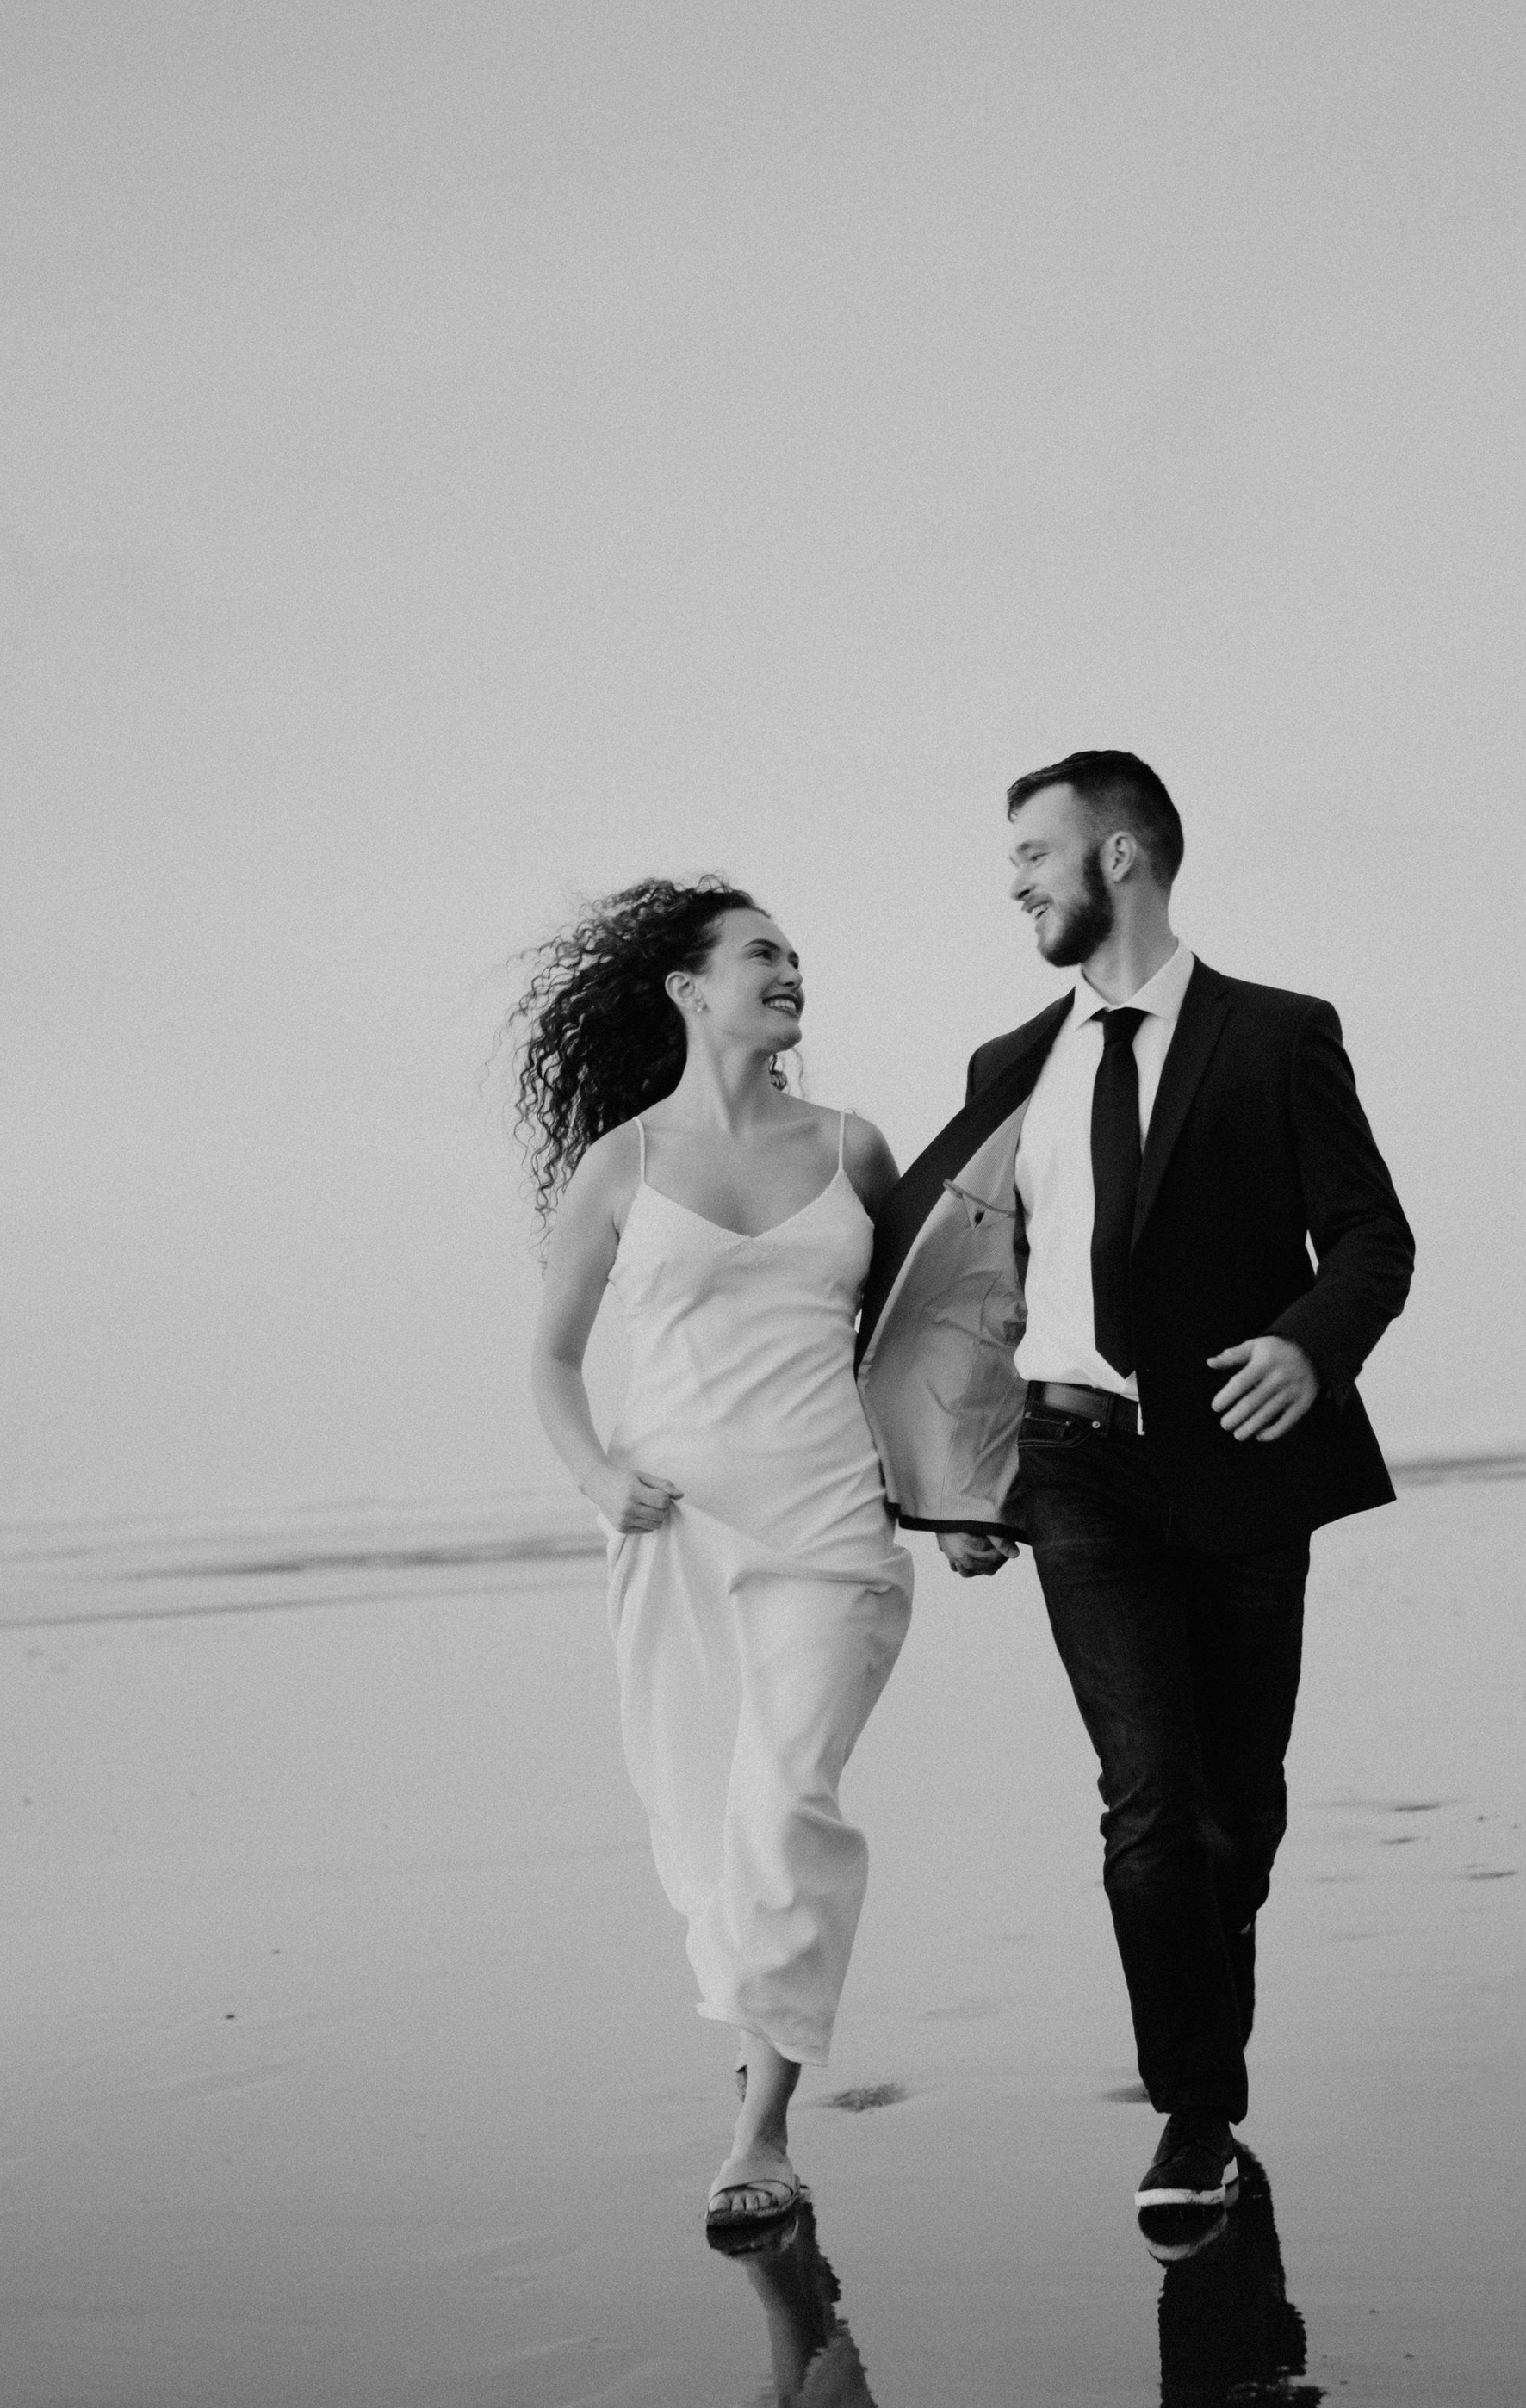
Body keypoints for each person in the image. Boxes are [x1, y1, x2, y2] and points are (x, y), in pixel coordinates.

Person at [856, 754, 1414, 2215]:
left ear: (1119, 854)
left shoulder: (1279, 1034)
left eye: (1032, 855)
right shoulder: (1009, 1065)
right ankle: (1194, 2114)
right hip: (1077, 1471)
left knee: (1238, 1815)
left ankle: (1206, 2020)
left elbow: (1373, 1240)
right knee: (1148, 1806)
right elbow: (975, 1292)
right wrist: (962, 1485)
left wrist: (1310, 1348)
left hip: (1241, 1458)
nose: (1016, 886)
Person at [519, 880, 913, 2231]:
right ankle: (759, 2033)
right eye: (761, 954)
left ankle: (762, 2131)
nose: (791, 970)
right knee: (708, 1824)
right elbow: (552, 1361)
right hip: (676, 1529)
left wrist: (972, 1490)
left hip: (832, 1526)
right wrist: (596, 1475)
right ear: (689, 989)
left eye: (796, 954)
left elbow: (929, 1330)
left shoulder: (855, 1150)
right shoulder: (622, 1166)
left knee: (787, 1803)